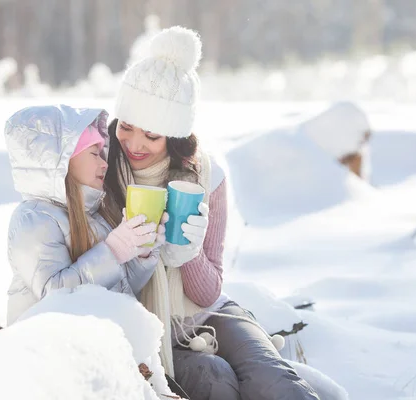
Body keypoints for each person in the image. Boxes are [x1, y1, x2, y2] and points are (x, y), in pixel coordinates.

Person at [105, 26, 320, 400]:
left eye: (152, 135)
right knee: (213, 378)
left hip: (209, 313)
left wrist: (188, 253)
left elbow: (207, 294)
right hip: (146, 329)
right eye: (126, 126)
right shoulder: (101, 169)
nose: (134, 143)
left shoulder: (206, 176)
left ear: (173, 134)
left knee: (275, 381)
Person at [4, 104, 166, 325]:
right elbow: (55, 298)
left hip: (97, 345)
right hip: (50, 351)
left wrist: (140, 251)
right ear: (61, 162)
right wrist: (113, 251)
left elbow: (122, 288)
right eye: (94, 153)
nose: (104, 163)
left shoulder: (93, 215)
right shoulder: (34, 219)